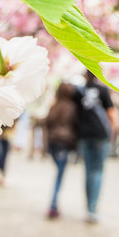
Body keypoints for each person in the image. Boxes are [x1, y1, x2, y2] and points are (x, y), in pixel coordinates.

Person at [74, 72, 116, 223]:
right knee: (97, 171)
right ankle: (93, 208)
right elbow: (111, 114)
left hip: (84, 135)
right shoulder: (103, 90)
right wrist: (113, 133)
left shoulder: (78, 91)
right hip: (100, 135)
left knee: (87, 171)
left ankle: (88, 208)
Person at [43, 83, 78, 219]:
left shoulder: (54, 107)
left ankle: (54, 204)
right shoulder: (72, 108)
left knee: (59, 172)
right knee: (59, 175)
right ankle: (52, 205)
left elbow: (47, 123)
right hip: (64, 143)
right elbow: (76, 126)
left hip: (53, 143)